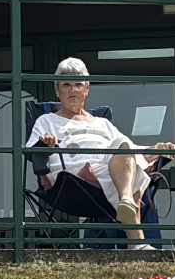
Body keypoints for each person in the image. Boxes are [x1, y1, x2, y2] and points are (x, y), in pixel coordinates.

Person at [29, 57, 148, 243]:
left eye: (78, 85)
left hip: (107, 171)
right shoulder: (46, 121)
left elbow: (128, 150)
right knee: (137, 172)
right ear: (57, 91)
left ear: (87, 89)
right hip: (71, 179)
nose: (73, 90)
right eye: (66, 85)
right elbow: (32, 151)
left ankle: (126, 200)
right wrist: (45, 143)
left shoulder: (103, 123)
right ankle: (136, 237)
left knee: (124, 147)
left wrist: (156, 149)